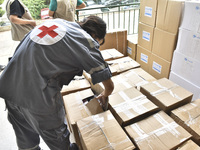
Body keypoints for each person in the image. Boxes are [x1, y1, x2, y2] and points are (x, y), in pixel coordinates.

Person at [0, 16, 114, 150]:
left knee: (27, 141)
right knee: (59, 140)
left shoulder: (56, 22)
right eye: (99, 42)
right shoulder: (85, 40)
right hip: (38, 97)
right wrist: (106, 94)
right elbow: (107, 81)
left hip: (9, 87)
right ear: (95, 35)